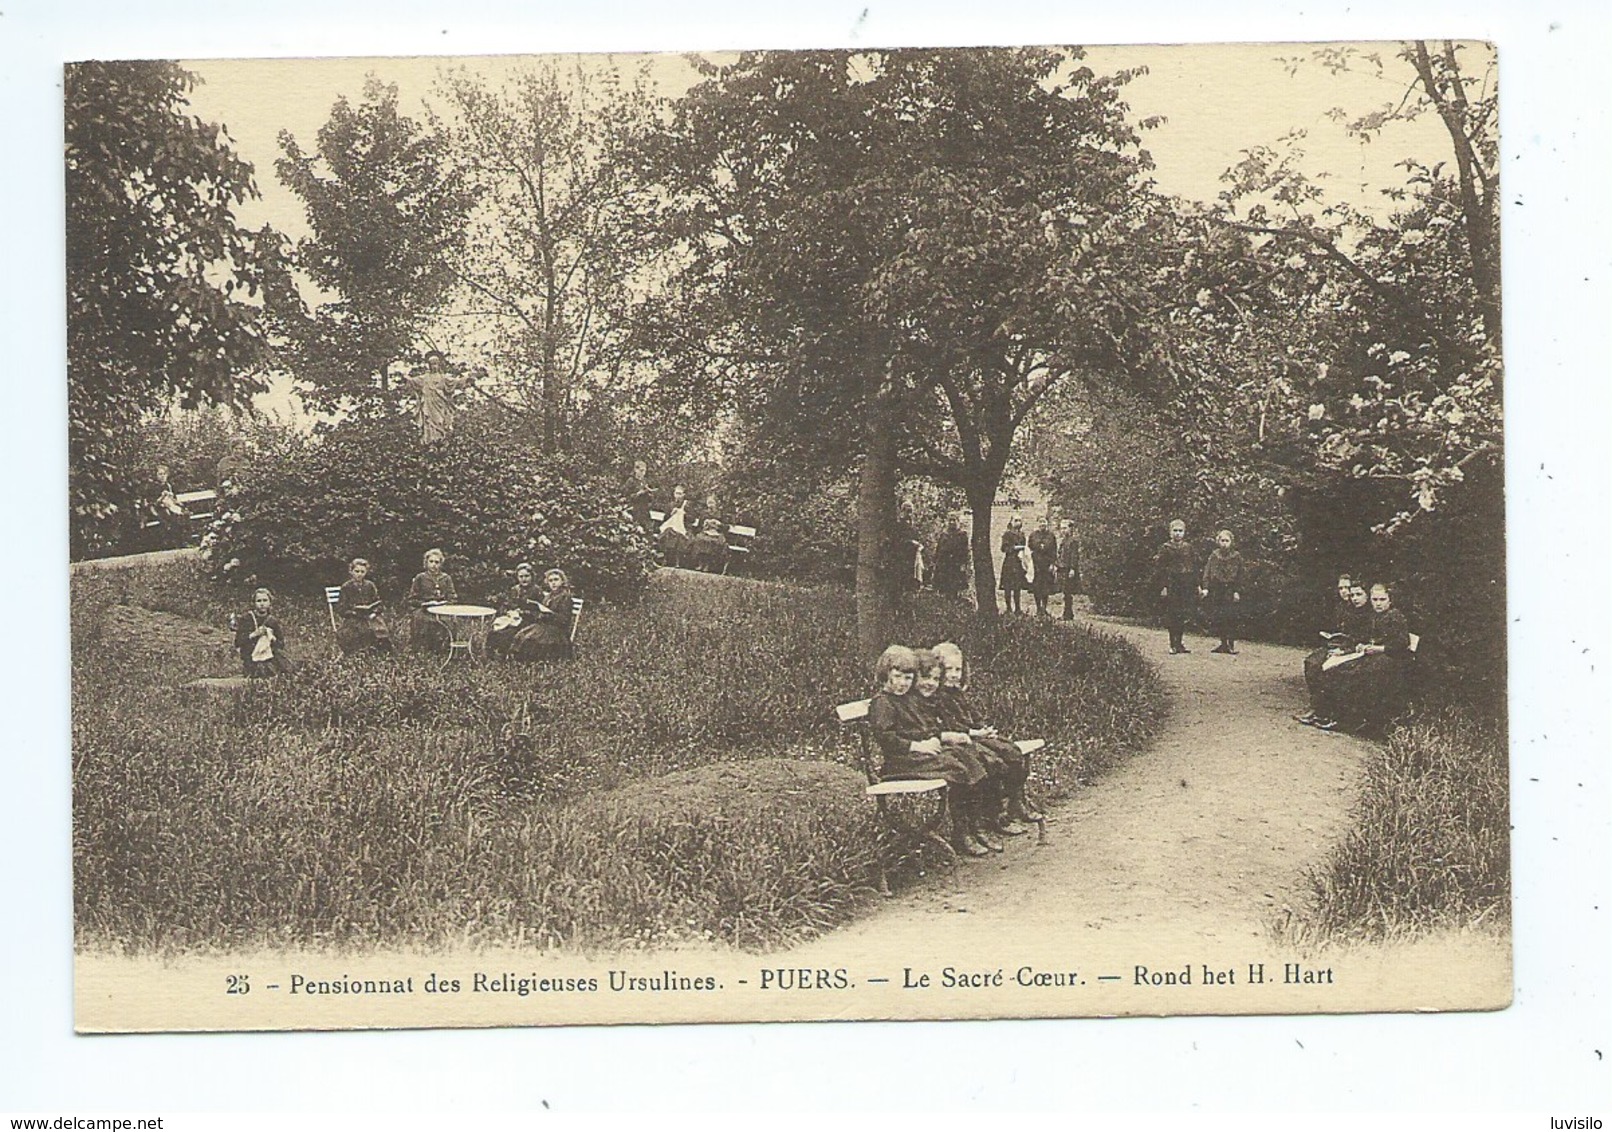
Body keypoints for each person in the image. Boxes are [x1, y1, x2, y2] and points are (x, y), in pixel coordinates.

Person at [866, 645, 992, 858]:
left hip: (918, 757)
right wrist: (917, 746)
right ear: (884, 675)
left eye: (908, 678)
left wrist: (934, 738)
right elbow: (886, 738)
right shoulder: (883, 703)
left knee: (964, 759)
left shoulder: (907, 700)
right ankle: (961, 834)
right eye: (897, 676)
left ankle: (973, 826)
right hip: (900, 762)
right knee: (956, 769)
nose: (902, 683)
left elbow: (925, 726)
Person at [932, 641, 1041, 834]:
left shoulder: (958, 694)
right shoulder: (938, 697)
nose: (954, 674)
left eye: (958, 669)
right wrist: (975, 733)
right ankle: (991, 816)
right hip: (960, 741)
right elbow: (950, 727)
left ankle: (1015, 804)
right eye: (948, 669)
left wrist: (983, 728)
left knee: (1012, 752)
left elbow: (973, 716)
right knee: (991, 762)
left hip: (974, 737)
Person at [912, 649, 1003, 853]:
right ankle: (963, 832)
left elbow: (936, 727)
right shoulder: (912, 702)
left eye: (936, 679)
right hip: (918, 755)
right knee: (962, 767)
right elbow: (918, 732)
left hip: (936, 749)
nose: (930, 683)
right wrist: (945, 736)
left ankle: (976, 826)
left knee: (974, 761)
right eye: (924, 678)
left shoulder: (933, 698)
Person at [403, 350, 473, 446]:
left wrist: (465, 379)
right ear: (429, 365)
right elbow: (414, 382)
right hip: (428, 404)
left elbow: (455, 382)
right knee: (429, 424)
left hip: (440, 404)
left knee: (440, 422)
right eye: (432, 364)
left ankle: (441, 442)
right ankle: (429, 443)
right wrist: (407, 379)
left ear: (439, 365)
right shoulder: (424, 378)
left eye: (436, 364)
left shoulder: (443, 378)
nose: (434, 366)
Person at [506, 568, 576, 661]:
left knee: (531, 639)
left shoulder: (565, 597)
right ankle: (517, 661)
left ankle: (531, 662)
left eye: (556, 580)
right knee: (522, 634)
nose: (553, 583)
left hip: (557, 631)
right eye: (550, 580)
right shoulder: (548, 596)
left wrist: (548, 615)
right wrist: (526, 613)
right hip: (544, 626)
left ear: (562, 581)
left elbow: (564, 620)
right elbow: (540, 611)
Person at [1155, 518, 1198, 654]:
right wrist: (1163, 586)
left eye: (1180, 531)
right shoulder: (1165, 548)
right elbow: (1160, 569)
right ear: (1170, 532)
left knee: (1182, 613)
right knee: (1173, 613)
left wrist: (1196, 585)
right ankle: (1172, 644)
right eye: (1175, 531)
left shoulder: (1188, 548)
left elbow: (1193, 566)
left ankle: (1180, 643)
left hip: (1185, 583)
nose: (1178, 533)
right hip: (1172, 583)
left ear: (1184, 533)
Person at [1201, 528, 1247, 654]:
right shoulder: (1214, 556)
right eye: (1222, 540)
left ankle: (1231, 645)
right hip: (1217, 589)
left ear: (1231, 542)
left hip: (1230, 589)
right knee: (1219, 616)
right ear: (1218, 541)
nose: (1224, 543)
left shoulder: (1236, 557)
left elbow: (1240, 575)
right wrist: (1206, 587)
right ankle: (1223, 644)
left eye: (1227, 540)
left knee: (1230, 617)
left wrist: (1237, 591)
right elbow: (1207, 572)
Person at [487, 562, 545, 658]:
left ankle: (507, 655)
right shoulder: (515, 589)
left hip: (529, 621)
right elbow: (506, 604)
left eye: (527, 576)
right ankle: (492, 654)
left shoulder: (537, 591)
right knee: (495, 631)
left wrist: (523, 613)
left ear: (532, 576)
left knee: (508, 633)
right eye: (521, 576)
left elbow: (541, 611)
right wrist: (507, 611)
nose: (524, 579)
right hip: (513, 618)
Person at [407, 547, 458, 653]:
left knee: (449, 621)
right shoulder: (420, 578)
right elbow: (412, 599)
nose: (434, 565)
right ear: (426, 563)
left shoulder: (446, 578)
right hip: (424, 609)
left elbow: (452, 597)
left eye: (437, 562)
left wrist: (445, 603)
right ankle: (422, 650)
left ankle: (444, 649)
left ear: (441, 564)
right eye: (431, 561)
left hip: (442, 609)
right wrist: (425, 604)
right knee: (423, 620)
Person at [233, 587, 292, 678]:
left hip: (269, 657)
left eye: (265, 600)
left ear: (269, 603)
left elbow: (281, 644)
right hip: (251, 657)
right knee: (260, 672)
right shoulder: (247, 619)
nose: (262, 604)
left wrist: (272, 638)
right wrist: (254, 634)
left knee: (284, 670)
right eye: (259, 601)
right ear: (254, 603)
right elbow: (238, 642)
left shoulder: (272, 621)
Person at [335, 557, 391, 654]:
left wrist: (374, 612)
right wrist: (354, 611)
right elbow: (341, 608)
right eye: (356, 571)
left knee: (380, 629)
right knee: (360, 630)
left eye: (362, 572)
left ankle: (379, 652)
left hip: (370, 616)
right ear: (351, 571)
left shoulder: (370, 585)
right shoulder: (346, 587)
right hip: (354, 617)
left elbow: (378, 603)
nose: (359, 574)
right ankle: (361, 653)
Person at [932, 515, 970, 600]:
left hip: (956, 564)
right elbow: (939, 549)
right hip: (944, 564)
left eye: (954, 520)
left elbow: (965, 551)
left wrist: (963, 564)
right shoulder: (944, 535)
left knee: (955, 586)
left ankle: (955, 601)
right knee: (945, 586)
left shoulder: (962, 535)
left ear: (958, 522)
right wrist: (936, 562)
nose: (952, 522)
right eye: (950, 520)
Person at [1027, 517, 1058, 617]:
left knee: (1046, 587)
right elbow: (1029, 548)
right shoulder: (1033, 535)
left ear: (1047, 523)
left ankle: (1044, 607)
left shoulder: (1051, 536)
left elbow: (1054, 550)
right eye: (1040, 522)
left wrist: (1052, 564)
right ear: (1037, 524)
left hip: (1047, 564)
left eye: (1044, 522)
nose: (1042, 524)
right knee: (1037, 587)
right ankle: (1038, 608)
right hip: (1036, 565)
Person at [999, 516, 1029, 614]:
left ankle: (1018, 608)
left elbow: (1025, 547)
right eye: (1015, 520)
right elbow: (1004, 548)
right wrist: (1016, 547)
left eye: (1020, 520)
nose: (1018, 522)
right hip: (1010, 562)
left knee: (1017, 586)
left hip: (1019, 562)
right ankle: (1008, 608)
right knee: (1008, 586)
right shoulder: (1007, 534)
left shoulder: (1022, 534)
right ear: (1011, 522)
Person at [658, 485, 693, 567]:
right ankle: (666, 558)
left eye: (680, 494)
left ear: (684, 495)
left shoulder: (687, 505)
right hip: (671, 526)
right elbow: (665, 519)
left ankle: (678, 561)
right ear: (674, 494)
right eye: (676, 493)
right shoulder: (670, 505)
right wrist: (670, 514)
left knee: (679, 536)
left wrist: (684, 514)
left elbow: (692, 519)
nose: (678, 496)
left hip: (683, 527)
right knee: (667, 534)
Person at [1057, 519, 1082, 620]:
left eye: (1065, 528)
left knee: (1068, 592)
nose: (1062, 530)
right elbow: (1060, 554)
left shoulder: (1073, 541)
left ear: (1070, 529)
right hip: (1063, 568)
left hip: (1068, 569)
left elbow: (1074, 556)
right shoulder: (1064, 541)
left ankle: (1067, 614)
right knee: (1065, 592)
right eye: (1061, 528)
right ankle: (1068, 613)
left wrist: (1072, 568)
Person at [625, 460, 654, 532]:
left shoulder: (644, 481)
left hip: (644, 509)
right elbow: (626, 496)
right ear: (635, 470)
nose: (643, 473)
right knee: (635, 528)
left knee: (648, 529)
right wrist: (638, 493)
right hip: (634, 508)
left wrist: (649, 494)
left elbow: (650, 499)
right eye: (641, 471)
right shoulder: (631, 481)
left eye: (644, 471)